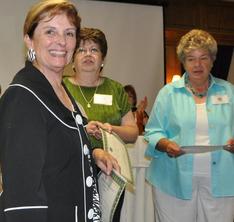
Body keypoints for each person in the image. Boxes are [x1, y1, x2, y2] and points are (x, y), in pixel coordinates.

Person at [0, 1, 119, 222]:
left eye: (69, 33)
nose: (62, 42)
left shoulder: (61, 90)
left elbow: (55, 157)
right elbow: (22, 196)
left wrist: (92, 156)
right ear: (29, 41)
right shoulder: (23, 96)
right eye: (50, 31)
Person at [144, 29, 234, 222]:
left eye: (204, 57)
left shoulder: (229, 91)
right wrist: (165, 144)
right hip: (173, 178)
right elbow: (152, 132)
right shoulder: (168, 93)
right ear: (183, 62)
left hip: (223, 180)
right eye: (191, 58)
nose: (198, 64)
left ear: (213, 60)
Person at [63, 27, 138, 221]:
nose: (88, 54)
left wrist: (111, 129)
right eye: (81, 50)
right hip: (71, 170)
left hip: (110, 171)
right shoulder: (61, 87)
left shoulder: (115, 89)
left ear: (103, 58)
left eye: (94, 50)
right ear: (72, 58)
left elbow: (133, 132)